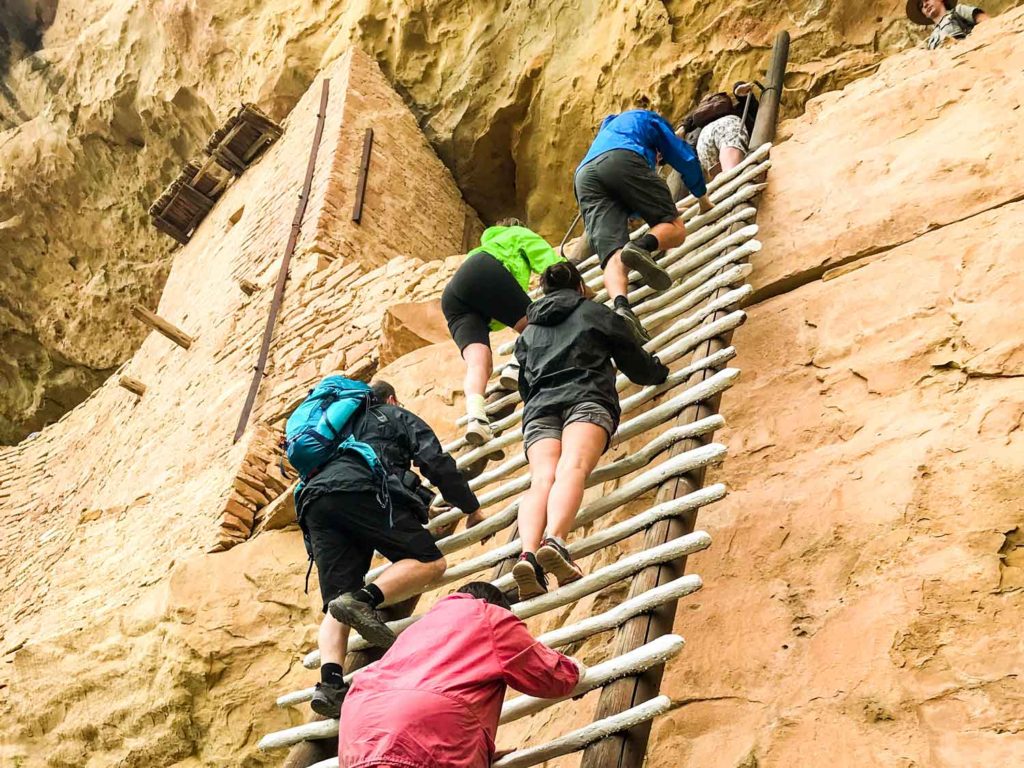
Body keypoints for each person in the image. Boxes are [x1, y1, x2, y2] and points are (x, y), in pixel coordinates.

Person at [298, 380, 485, 719]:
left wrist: (424, 502)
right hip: (361, 491)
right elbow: (433, 460)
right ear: (392, 398)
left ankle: (329, 684)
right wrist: (469, 506)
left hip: (314, 503)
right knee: (429, 562)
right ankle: (364, 600)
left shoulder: (333, 433)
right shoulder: (391, 414)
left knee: (335, 603)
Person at [510, 262, 669, 599]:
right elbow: (633, 362)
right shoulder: (594, 312)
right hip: (587, 396)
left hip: (540, 410)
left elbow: (525, 386)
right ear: (581, 286)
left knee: (541, 478)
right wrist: (658, 371)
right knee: (574, 467)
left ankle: (526, 553)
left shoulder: (528, 333)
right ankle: (554, 540)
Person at [339, 581, 582, 768]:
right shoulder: (487, 614)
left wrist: (475, 751)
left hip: (358, 733)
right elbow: (550, 676)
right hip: (420, 731)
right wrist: (576, 669)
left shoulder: (418, 629)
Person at [574, 109, 714, 343]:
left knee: (612, 255)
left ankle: (621, 306)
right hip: (624, 158)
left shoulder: (607, 133)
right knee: (675, 229)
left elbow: (628, 194)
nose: (659, 162)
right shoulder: (647, 119)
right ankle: (641, 246)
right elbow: (684, 158)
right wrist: (702, 197)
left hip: (584, 177)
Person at [442, 218, 566, 446]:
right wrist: (578, 285)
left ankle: (476, 418)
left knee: (479, 363)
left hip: (454, 298)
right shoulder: (517, 233)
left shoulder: (485, 245)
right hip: (483, 272)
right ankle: (514, 366)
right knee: (537, 324)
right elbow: (552, 265)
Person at [677, 82, 760, 182]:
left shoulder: (697, 128)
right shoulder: (735, 110)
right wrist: (740, 93)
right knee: (731, 172)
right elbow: (754, 111)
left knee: (719, 175)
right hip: (728, 127)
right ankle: (728, 173)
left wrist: (683, 127)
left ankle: (720, 179)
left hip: (703, 139)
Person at [906, 0, 988, 49]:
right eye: (921, 5)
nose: (925, 5)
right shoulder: (931, 39)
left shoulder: (958, 11)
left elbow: (987, 22)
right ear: (924, 14)